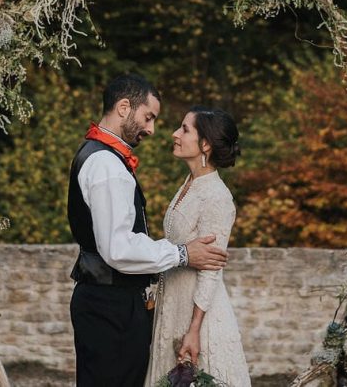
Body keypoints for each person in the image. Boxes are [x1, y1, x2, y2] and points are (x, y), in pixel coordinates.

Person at [68, 74, 229, 387]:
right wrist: (183, 253)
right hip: (110, 305)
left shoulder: (100, 156)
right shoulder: (107, 166)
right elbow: (119, 249)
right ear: (124, 107)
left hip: (108, 301)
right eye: (148, 117)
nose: (153, 129)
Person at [145, 107, 251, 387]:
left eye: (184, 129)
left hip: (198, 316)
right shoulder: (189, 183)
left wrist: (194, 330)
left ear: (205, 144)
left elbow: (211, 271)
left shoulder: (217, 197)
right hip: (172, 304)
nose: (175, 134)